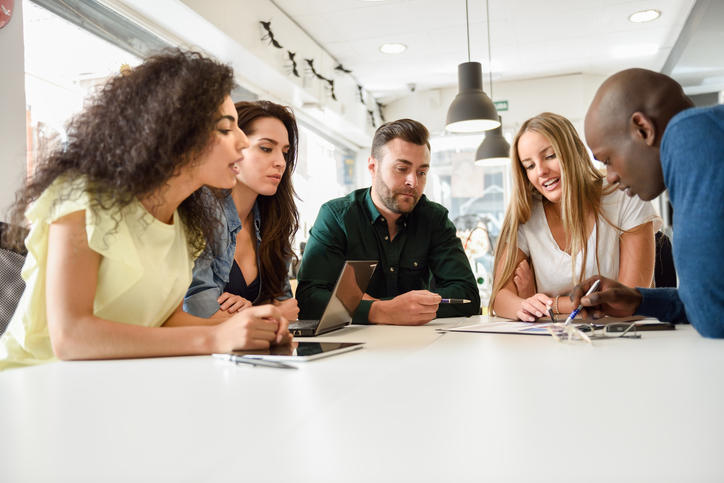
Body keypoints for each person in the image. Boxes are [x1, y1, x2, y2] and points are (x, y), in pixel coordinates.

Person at [0, 50, 290, 371]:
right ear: (175, 134)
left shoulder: (188, 222)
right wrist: (215, 338)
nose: (241, 141)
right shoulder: (82, 197)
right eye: (225, 129)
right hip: (30, 382)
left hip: (110, 383)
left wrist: (251, 327)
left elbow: (164, 319)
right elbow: (70, 337)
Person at [572, 68, 724, 338]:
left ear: (643, 129)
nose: (611, 177)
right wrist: (640, 300)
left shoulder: (691, 135)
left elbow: (713, 315)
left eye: (607, 160)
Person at [296, 118, 480, 325]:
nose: (413, 181)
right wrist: (380, 311)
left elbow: (468, 297)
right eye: (402, 169)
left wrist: (372, 304)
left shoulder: (434, 219)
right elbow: (308, 299)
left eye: (422, 172)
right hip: (353, 349)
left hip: (420, 348)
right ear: (373, 167)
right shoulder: (337, 217)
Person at [489, 112, 660, 322]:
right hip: (555, 341)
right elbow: (500, 298)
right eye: (530, 166)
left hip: (621, 337)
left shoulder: (625, 195)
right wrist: (525, 303)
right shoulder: (527, 214)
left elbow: (626, 299)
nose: (540, 171)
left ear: (575, 150)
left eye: (550, 156)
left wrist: (548, 303)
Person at [184, 101, 299, 321]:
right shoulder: (204, 213)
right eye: (266, 148)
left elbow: (288, 306)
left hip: (252, 351)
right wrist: (262, 314)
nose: (280, 162)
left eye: (285, 152)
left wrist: (254, 314)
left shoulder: (273, 219)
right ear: (232, 148)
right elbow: (197, 309)